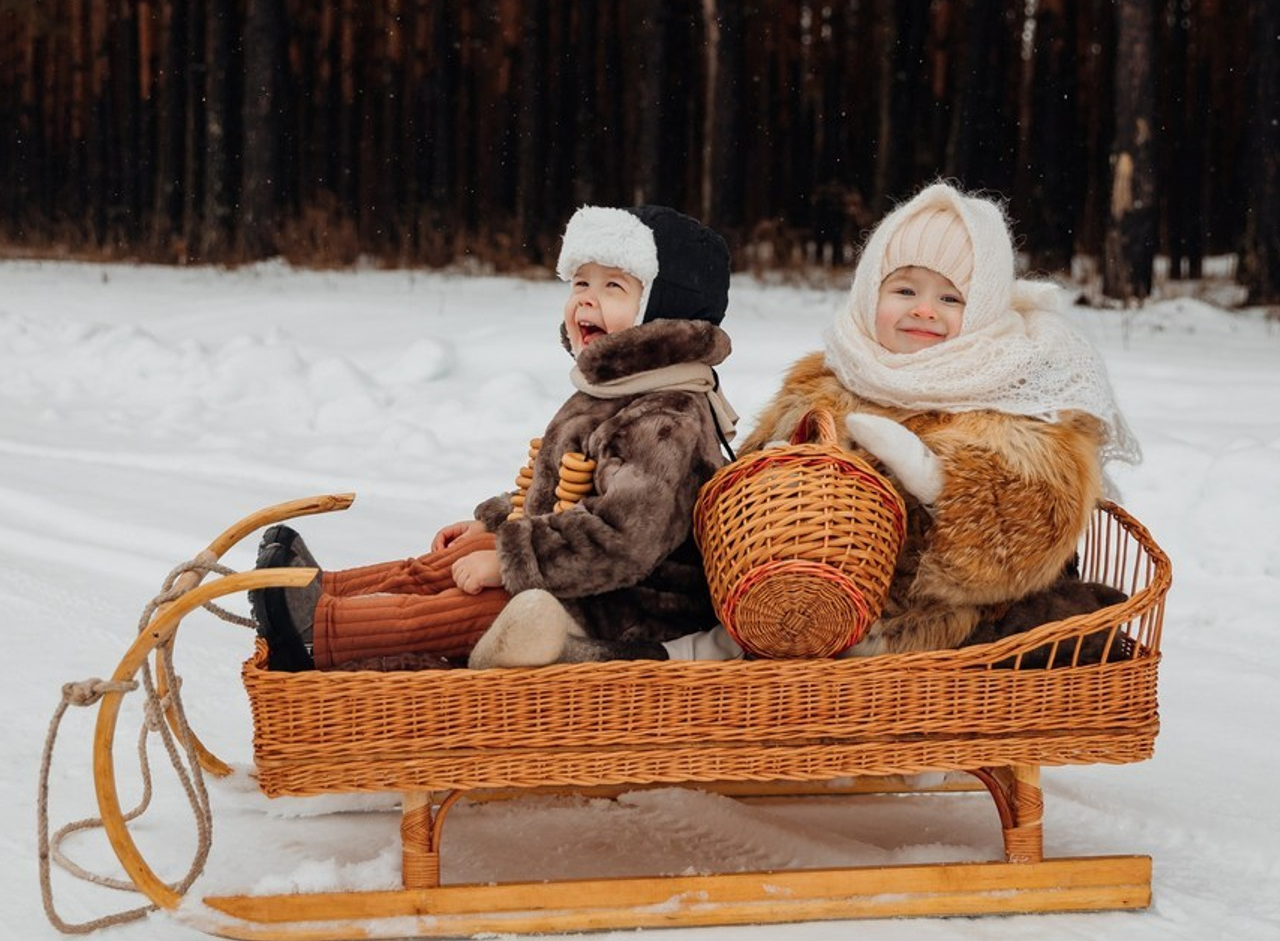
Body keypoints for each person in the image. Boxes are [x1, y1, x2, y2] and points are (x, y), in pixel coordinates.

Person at [249, 203, 738, 672]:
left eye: (613, 286)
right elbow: (567, 489)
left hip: (628, 608)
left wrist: (509, 564)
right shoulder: (614, 389)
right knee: (456, 561)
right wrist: (500, 522)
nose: (586, 299)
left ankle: (323, 630)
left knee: (475, 608)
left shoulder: (666, 415)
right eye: (581, 282)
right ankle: (325, 591)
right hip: (582, 580)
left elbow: (623, 537)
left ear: (663, 314)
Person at [734, 179, 1140, 657]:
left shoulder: (1017, 392)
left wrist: (938, 483)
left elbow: (1040, 519)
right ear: (869, 295)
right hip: (807, 598)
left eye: (951, 299)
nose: (924, 310)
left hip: (953, 617)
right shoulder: (828, 380)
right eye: (904, 290)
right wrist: (774, 475)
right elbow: (746, 489)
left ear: (984, 308)